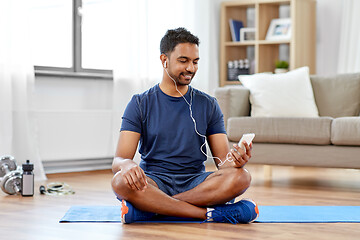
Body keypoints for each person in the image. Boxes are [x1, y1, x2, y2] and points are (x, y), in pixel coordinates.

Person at [111, 27, 258, 224]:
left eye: (195, 62)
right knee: (120, 182)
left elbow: (223, 163)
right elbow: (118, 160)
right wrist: (127, 164)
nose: (191, 68)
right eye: (183, 61)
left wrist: (237, 161)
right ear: (164, 60)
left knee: (242, 177)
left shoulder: (208, 104)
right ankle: (211, 214)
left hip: (196, 183)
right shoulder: (140, 103)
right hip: (154, 181)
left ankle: (153, 209)